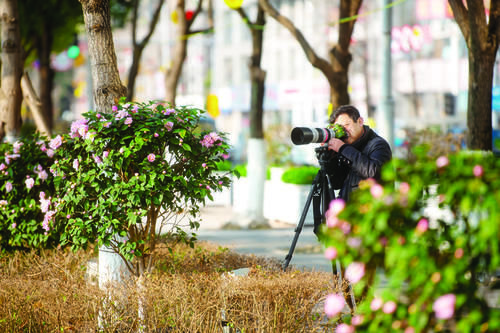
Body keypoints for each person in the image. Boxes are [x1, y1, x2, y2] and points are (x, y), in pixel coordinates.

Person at [326, 105, 392, 202]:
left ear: (360, 121)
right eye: (339, 128)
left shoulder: (378, 144)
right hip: (350, 212)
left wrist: (343, 148)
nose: (344, 131)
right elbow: (336, 183)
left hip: (371, 212)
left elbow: (374, 174)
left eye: (346, 125)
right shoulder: (349, 146)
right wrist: (330, 157)